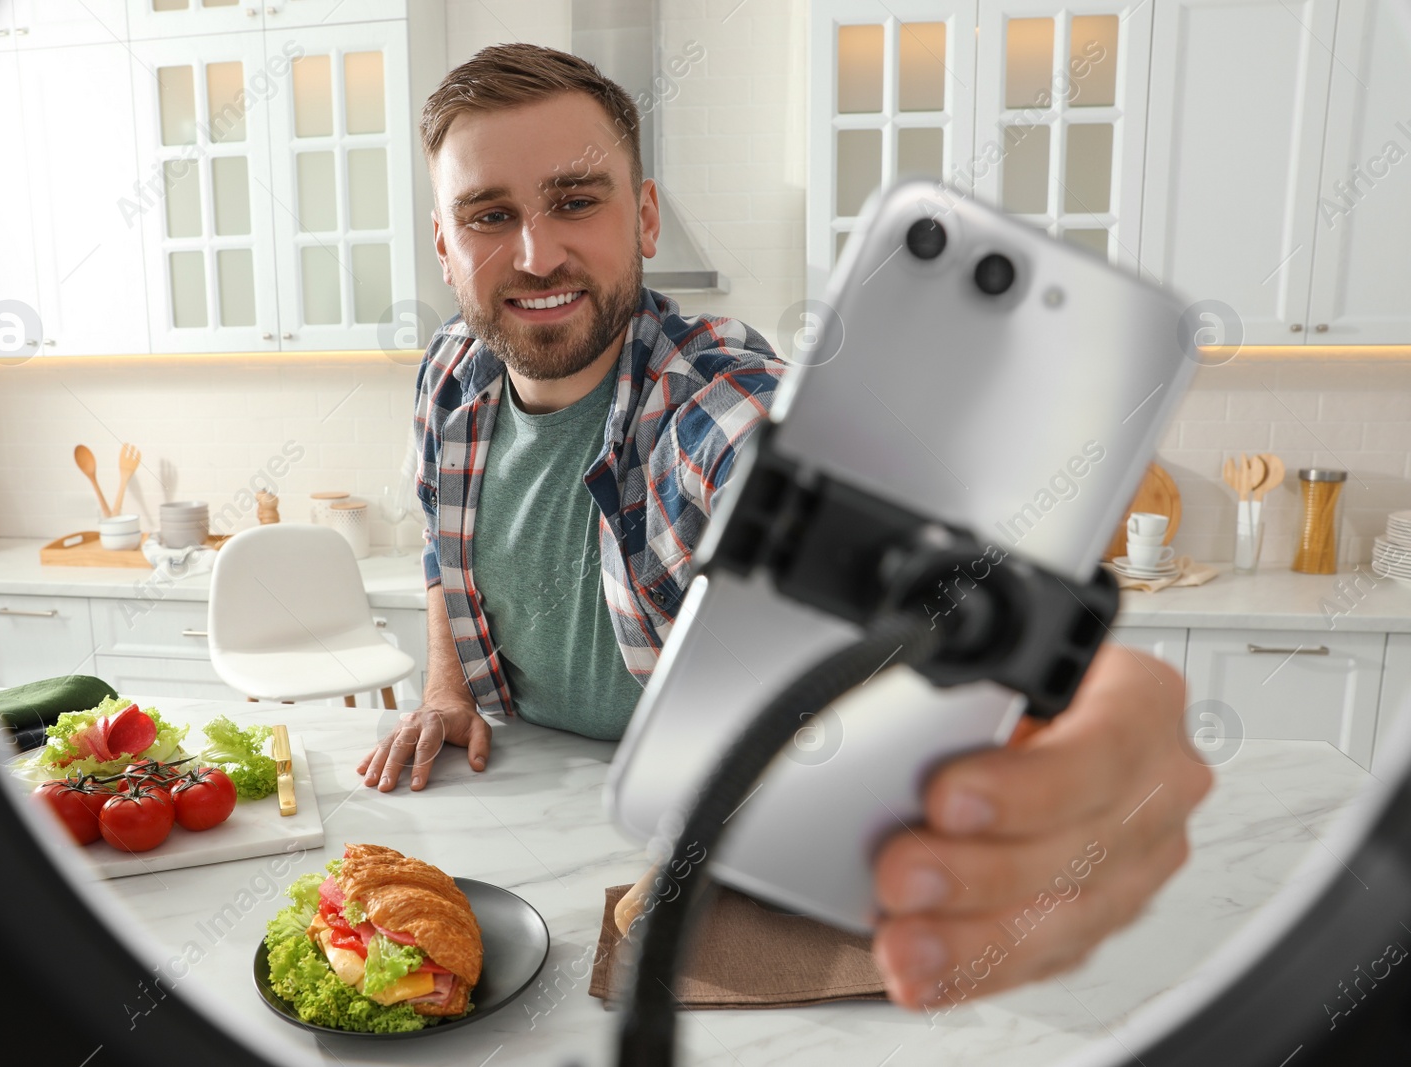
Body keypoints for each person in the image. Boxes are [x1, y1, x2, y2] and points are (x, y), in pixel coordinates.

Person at [356, 42, 1212, 1010]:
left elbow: (811, 496)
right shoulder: (447, 377)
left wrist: (1052, 698)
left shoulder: (705, 402)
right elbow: (439, 530)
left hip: (687, 838)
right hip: (514, 798)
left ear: (643, 217)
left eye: (575, 199)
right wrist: (443, 683)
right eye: (489, 215)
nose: (536, 252)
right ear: (443, 243)